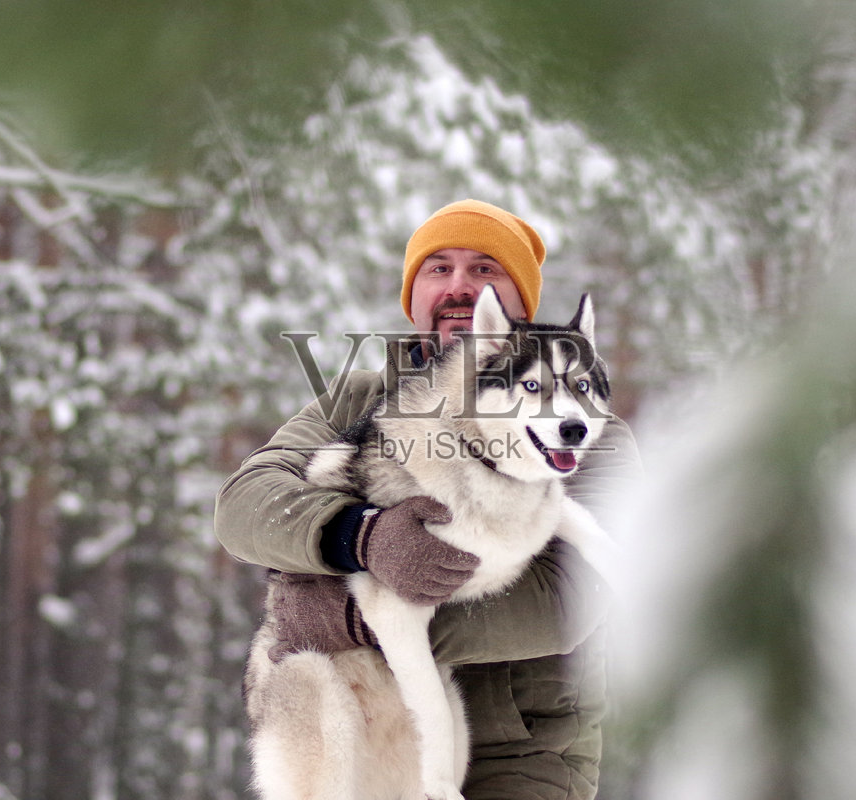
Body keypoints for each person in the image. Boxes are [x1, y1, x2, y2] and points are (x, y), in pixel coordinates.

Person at [215, 199, 641, 800]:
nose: (459, 287)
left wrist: (351, 621)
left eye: (485, 270)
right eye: (438, 269)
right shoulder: (353, 402)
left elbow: (570, 597)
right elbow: (245, 504)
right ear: (413, 296)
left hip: (515, 758)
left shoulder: (586, 435)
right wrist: (357, 535)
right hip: (363, 735)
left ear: (516, 306)